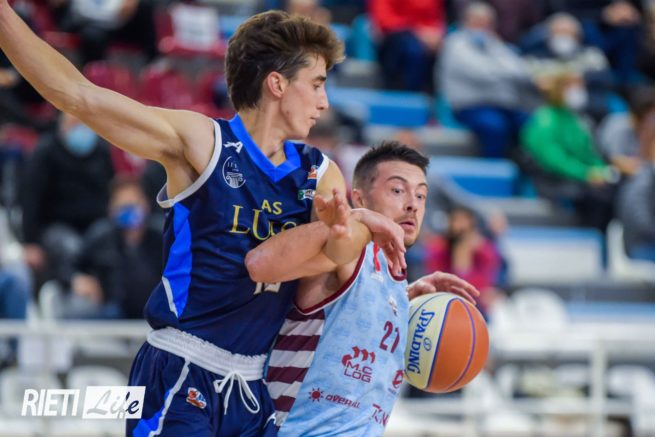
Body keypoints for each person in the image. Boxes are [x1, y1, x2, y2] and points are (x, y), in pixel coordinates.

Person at [0, 6, 406, 435]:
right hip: (180, 367)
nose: (324, 102)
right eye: (317, 84)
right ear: (277, 84)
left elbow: (338, 250)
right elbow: (76, 95)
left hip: (251, 387)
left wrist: (352, 224)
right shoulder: (204, 143)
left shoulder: (318, 172)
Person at [246, 142, 479, 435]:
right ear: (359, 198)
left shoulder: (393, 277)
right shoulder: (347, 249)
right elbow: (261, 263)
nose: (413, 204)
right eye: (398, 190)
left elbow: (355, 307)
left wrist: (405, 298)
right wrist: (355, 219)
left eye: (421, 195)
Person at [21, 111, 115, 285]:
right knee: (71, 247)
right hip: (56, 226)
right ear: (62, 126)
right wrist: (30, 242)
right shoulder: (46, 151)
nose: (81, 129)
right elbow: (31, 199)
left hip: (95, 224)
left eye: (85, 124)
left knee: (108, 240)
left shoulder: (101, 150)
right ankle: (72, 287)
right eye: (75, 124)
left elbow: (111, 191)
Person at [54, 176, 162, 319]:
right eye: (123, 206)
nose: (129, 210)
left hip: (154, 313)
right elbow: (67, 267)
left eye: (134, 204)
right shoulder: (101, 236)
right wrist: (76, 279)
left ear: (146, 205)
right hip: (110, 314)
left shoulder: (161, 236)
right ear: (111, 208)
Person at [520, 71, 617, 231]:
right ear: (558, 89)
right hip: (552, 179)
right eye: (572, 85)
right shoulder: (545, 120)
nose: (578, 90)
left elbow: (589, 153)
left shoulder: (577, 120)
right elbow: (555, 160)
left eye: (580, 85)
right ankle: (590, 237)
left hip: (579, 177)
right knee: (598, 198)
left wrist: (600, 170)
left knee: (614, 190)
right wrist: (586, 174)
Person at [440, 2, 532, 158]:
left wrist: (498, 64)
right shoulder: (455, 44)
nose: (481, 27)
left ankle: (521, 166)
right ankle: (494, 166)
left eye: (486, 23)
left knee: (531, 124)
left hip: (503, 106)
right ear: (466, 21)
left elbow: (521, 71)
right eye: (477, 22)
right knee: (495, 126)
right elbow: (482, 73)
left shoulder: (496, 44)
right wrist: (503, 68)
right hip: (469, 106)